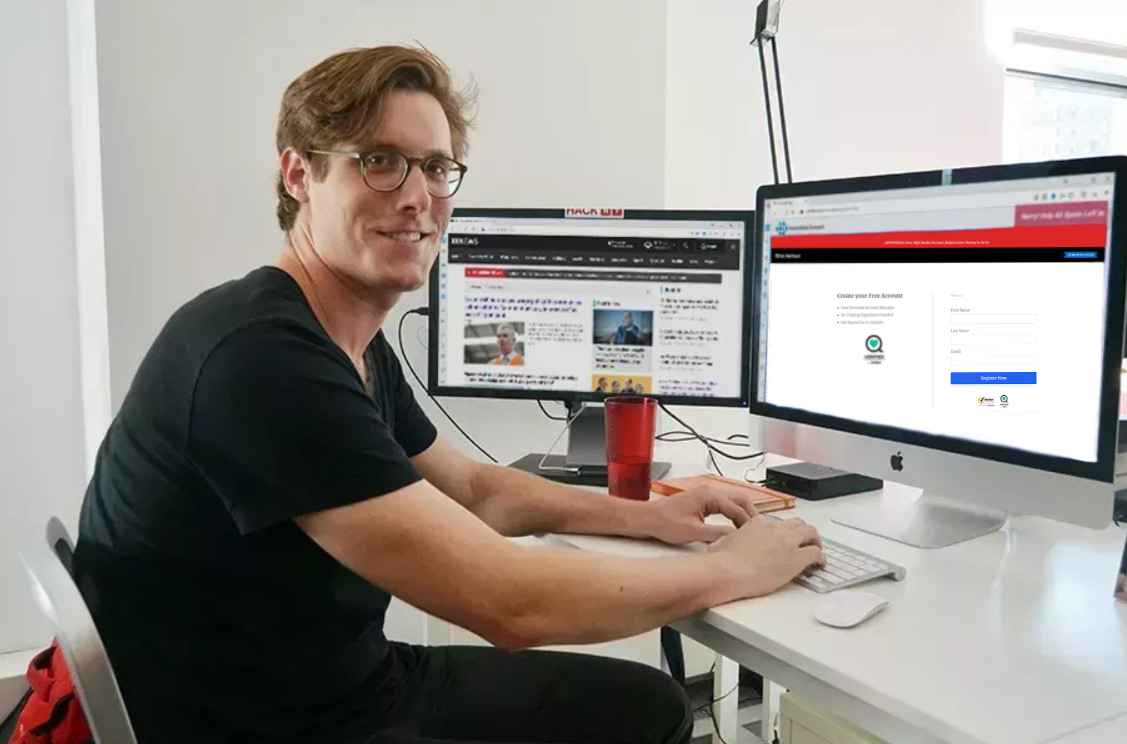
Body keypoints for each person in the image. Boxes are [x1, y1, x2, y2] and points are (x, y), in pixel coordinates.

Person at [73, 44, 822, 744]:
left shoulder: (338, 336)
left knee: (649, 704)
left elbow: (471, 490)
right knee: (644, 715)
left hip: (325, 681)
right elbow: (510, 605)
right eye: (380, 161)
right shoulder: (261, 360)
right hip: (271, 723)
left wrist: (648, 517)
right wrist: (731, 570)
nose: (418, 197)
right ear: (300, 175)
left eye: (435, 167)